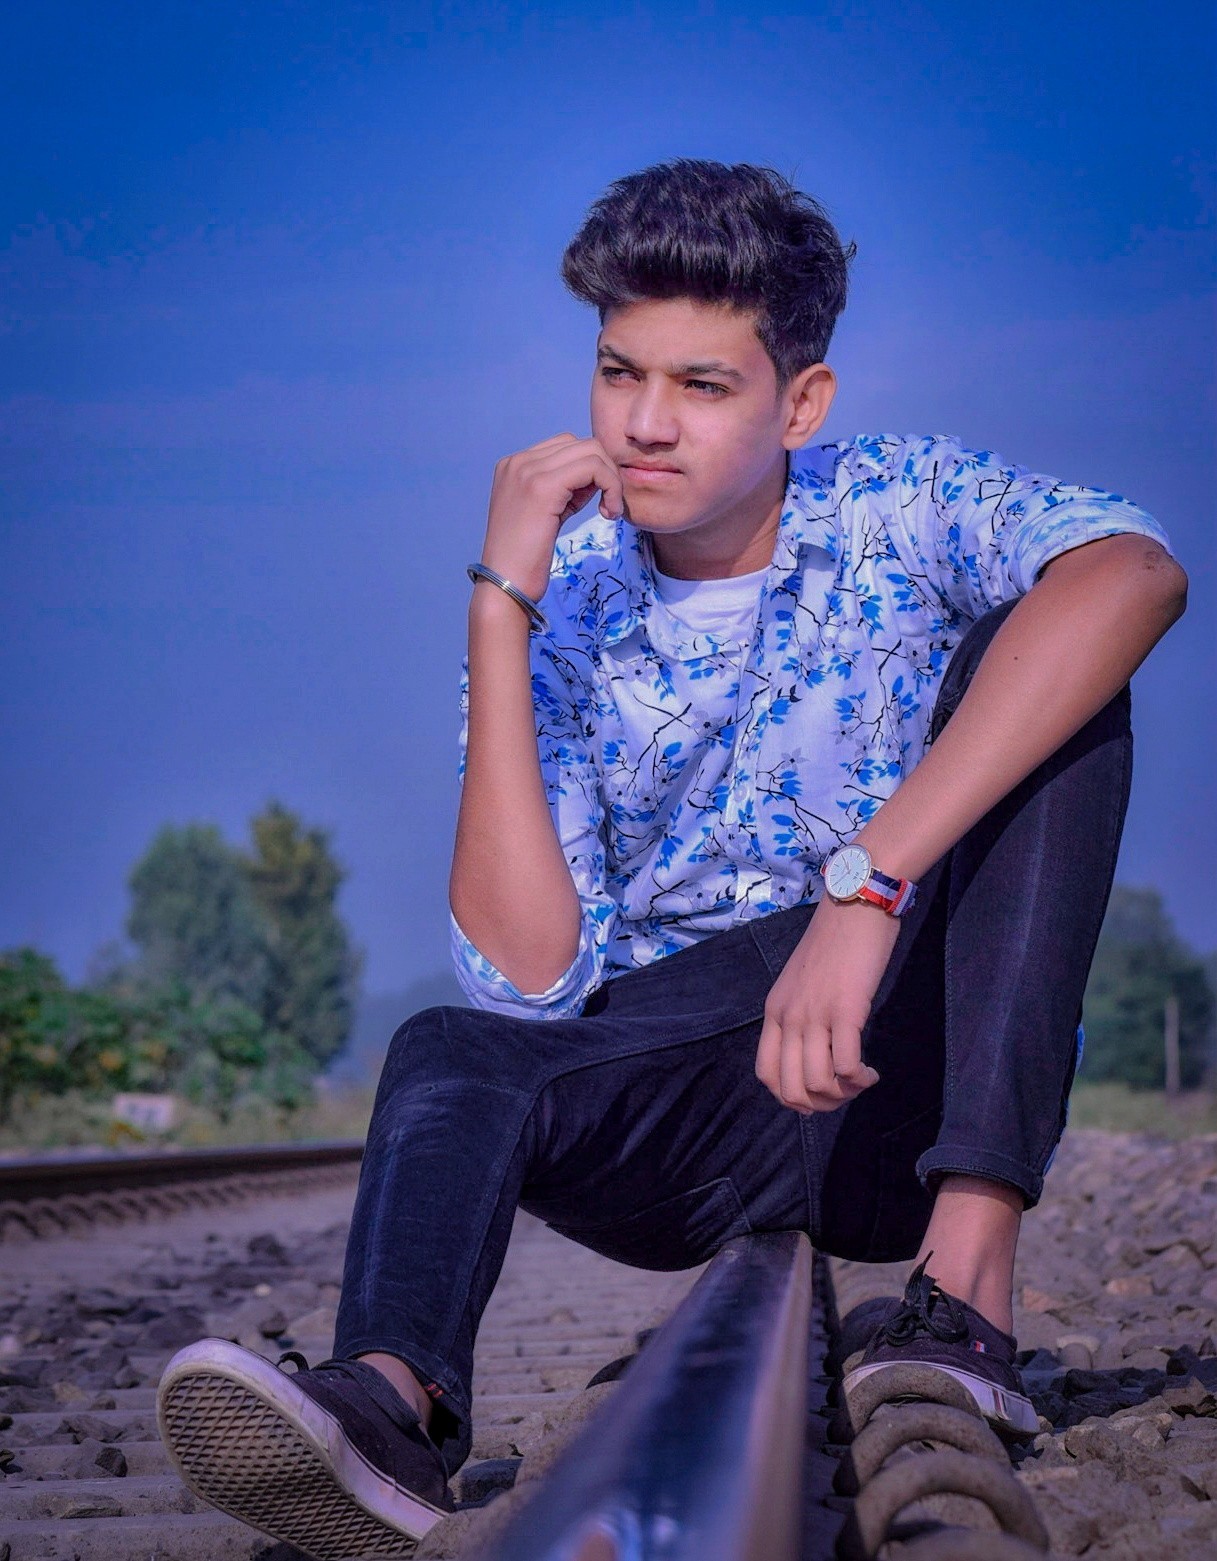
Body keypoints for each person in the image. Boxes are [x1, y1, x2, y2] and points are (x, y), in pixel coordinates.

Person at [156, 158, 1188, 1558]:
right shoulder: (567, 597)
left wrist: (866, 883)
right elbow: (528, 981)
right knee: (448, 1048)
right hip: (688, 1105)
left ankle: (963, 1303)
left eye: (701, 385)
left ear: (799, 404)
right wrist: (501, 607)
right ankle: (389, 1409)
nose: (644, 425)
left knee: (1058, 658)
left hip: (904, 1074)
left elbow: (1135, 573)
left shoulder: (895, 501)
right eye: (618, 373)